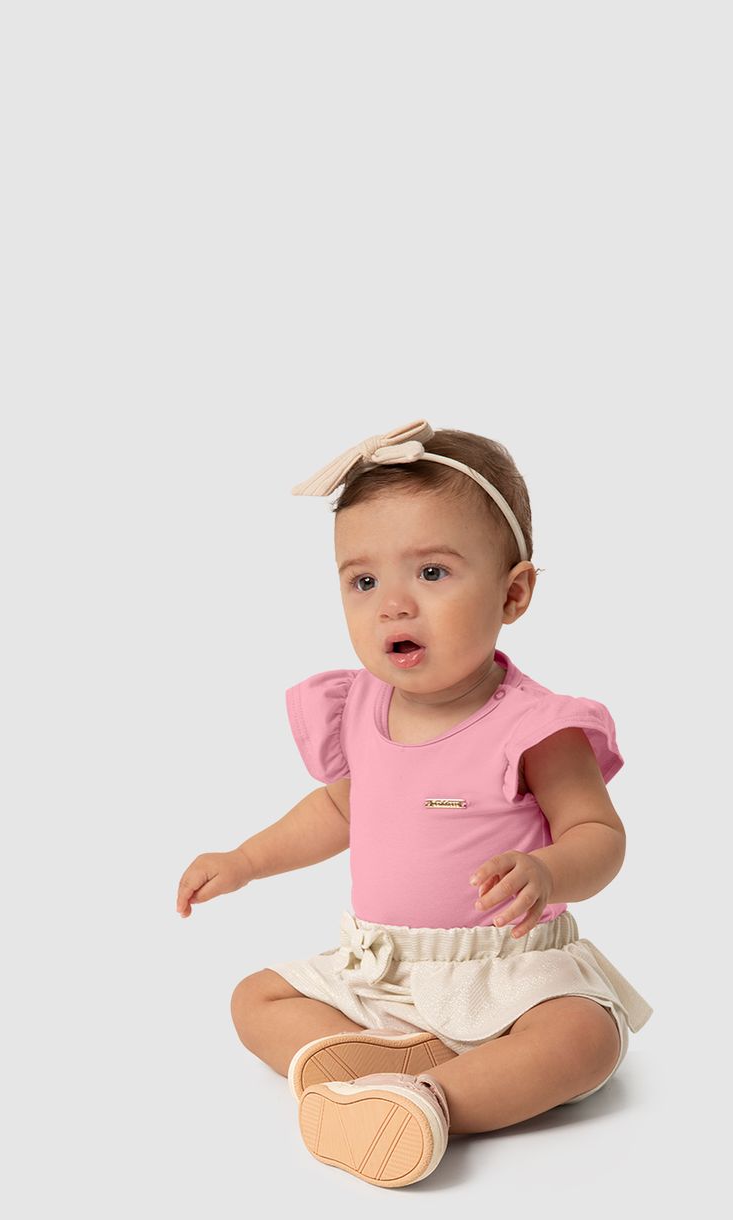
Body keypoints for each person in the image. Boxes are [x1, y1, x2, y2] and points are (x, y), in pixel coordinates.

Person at [176, 419, 653, 1189]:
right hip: (385, 971)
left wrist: (547, 871)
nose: (393, 606)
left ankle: (432, 1099)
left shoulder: (535, 727)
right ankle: (388, 1065)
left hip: (505, 973)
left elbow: (600, 834)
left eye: (431, 573)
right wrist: (245, 860)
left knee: (585, 1037)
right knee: (253, 998)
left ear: (513, 592)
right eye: (363, 582)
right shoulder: (361, 706)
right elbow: (339, 811)